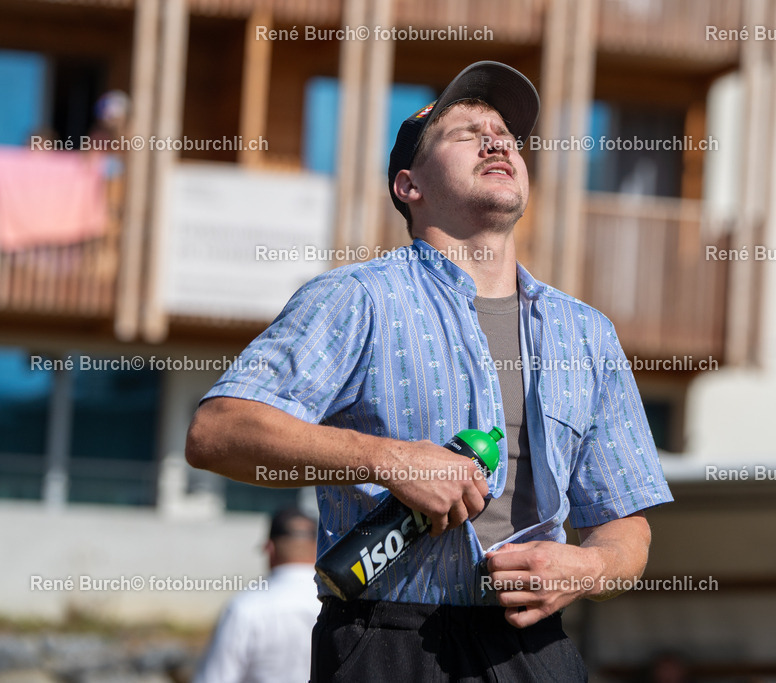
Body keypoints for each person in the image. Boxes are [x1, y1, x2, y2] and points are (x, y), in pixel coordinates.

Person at [185, 60, 673, 681]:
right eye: (466, 133)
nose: (497, 141)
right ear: (409, 186)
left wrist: (589, 569)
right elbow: (217, 431)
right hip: (388, 643)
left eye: (505, 135)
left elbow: (625, 524)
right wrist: (392, 461)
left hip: (537, 652)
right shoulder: (355, 299)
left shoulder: (586, 333)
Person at [193, 508, 320, 683]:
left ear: (269, 549)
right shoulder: (341, 602)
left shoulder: (246, 607)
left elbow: (215, 677)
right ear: (318, 547)